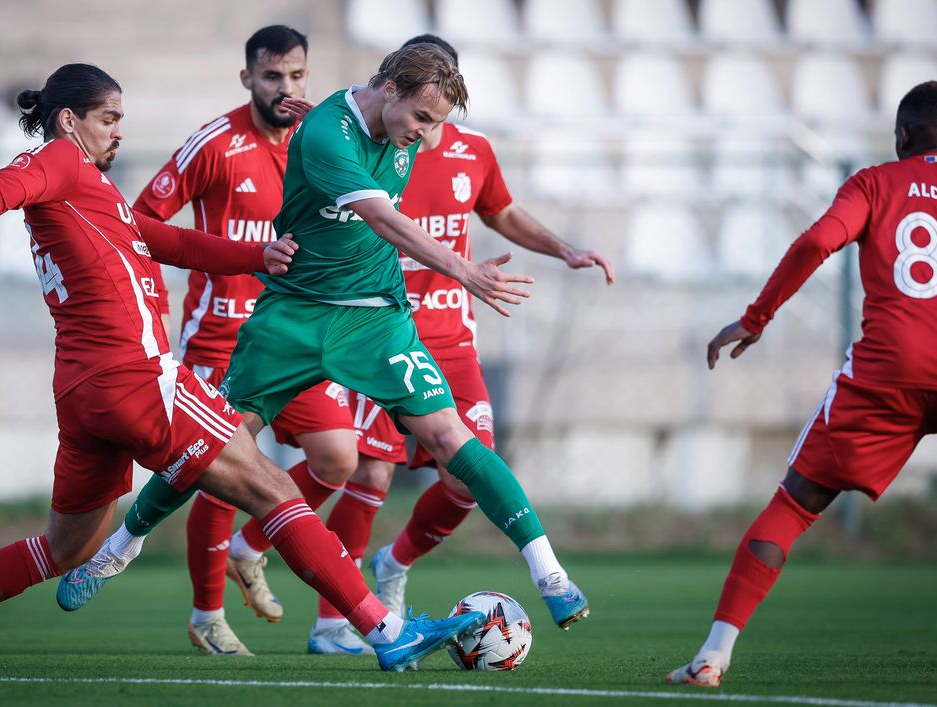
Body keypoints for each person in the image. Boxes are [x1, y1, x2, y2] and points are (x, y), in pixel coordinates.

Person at [0, 63, 484, 673]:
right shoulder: (58, 162)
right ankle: (388, 632)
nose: (118, 131)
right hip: (135, 375)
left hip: (82, 393)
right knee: (275, 490)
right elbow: (1, 186)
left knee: (62, 547)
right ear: (69, 120)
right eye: (109, 118)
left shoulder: (91, 193)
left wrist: (256, 256)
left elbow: (172, 242)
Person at [60, 43, 590, 640]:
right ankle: (121, 547)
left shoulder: (392, 124)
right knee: (211, 444)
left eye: (437, 122)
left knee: (449, 438)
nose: (428, 135)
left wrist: (417, 123)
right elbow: (384, 218)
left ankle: (549, 574)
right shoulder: (326, 134)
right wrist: (463, 270)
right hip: (293, 315)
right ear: (390, 90)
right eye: (422, 117)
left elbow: (409, 146)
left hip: (374, 317)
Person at [667, 81, 937, 687]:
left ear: (901, 139)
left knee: (793, 506)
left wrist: (757, 317)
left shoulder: (875, 181)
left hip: (888, 369)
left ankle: (713, 655)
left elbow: (818, 240)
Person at [312, 33, 614, 637]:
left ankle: (393, 563)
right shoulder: (375, 145)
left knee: (466, 477)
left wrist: (564, 249)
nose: (426, 124)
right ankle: (333, 623)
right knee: (369, 473)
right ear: (400, 83)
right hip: (382, 329)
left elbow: (500, 211)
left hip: (453, 336)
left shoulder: (472, 151)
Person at [127, 25, 359, 656]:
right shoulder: (216, 142)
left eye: (297, 76)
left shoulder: (324, 141)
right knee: (219, 469)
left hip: (296, 334)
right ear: (247, 79)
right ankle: (207, 615)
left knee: (338, 458)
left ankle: (252, 546)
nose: (286, 89)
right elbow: (142, 222)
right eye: (272, 77)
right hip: (221, 339)